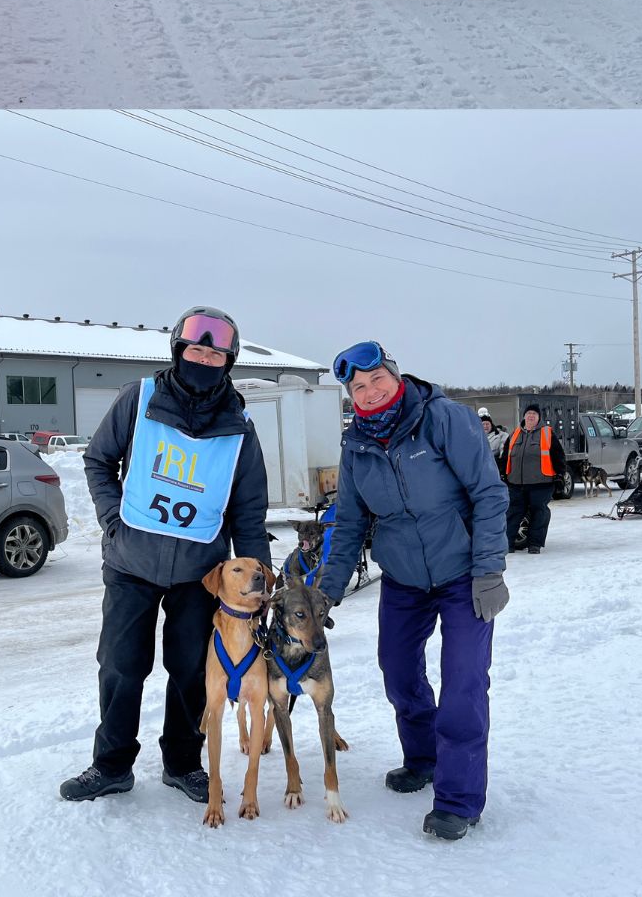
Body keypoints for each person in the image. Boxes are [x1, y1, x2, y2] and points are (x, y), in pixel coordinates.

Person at [61, 306, 271, 809]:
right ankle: (111, 766)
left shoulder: (240, 428)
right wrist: (113, 519)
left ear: (229, 361)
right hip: (132, 565)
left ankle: (182, 763)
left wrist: (260, 584)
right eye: (196, 348)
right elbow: (98, 459)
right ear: (179, 351)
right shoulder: (139, 399)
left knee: (192, 671)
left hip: (200, 575)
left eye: (216, 353)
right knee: (120, 666)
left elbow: (248, 510)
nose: (205, 358)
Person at [320, 342, 508, 842]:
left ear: (395, 376)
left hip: (463, 573)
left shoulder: (444, 419)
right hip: (404, 578)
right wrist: (324, 593)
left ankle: (458, 799)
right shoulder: (356, 446)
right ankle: (423, 759)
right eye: (357, 387)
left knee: (464, 682)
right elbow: (350, 522)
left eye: (376, 378)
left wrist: (489, 569)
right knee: (399, 673)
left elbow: (489, 493)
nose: (369, 390)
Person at [501, 404, 561, 554]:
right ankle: (507, 544)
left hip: (541, 483)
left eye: (534, 414)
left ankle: (535, 544)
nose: (531, 416)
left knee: (539, 513)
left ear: (539, 417)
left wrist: (560, 475)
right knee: (512, 514)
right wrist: (502, 474)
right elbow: (504, 457)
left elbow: (558, 456)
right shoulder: (514, 434)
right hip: (516, 483)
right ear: (524, 416)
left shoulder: (547, 434)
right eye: (528, 413)